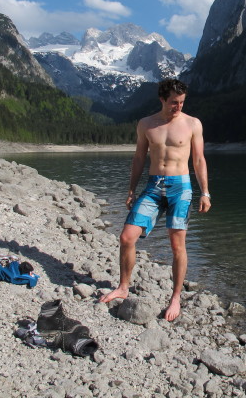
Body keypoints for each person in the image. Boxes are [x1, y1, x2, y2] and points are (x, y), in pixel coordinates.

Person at [100, 78, 211, 321]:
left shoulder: (192, 124)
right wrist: (131, 190)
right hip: (153, 186)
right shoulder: (146, 124)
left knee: (176, 245)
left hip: (180, 188)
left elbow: (199, 160)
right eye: (173, 103)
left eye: (181, 102)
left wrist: (205, 192)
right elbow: (139, 158)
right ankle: (123, 287)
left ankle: (175, 298)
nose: (178, 107)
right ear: (162, 99)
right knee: (127, 237)